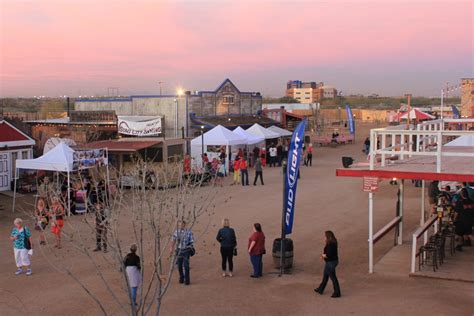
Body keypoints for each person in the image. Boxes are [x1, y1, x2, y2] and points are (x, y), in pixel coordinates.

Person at [314, 231, 341, 298]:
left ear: (328, 237)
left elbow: (329, 255)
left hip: (330, 262)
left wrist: (323, 256)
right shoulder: (332, 243)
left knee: (333, 277)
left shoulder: (330, 245)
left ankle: (337, 292)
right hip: (332, 261)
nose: (324, 237)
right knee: (325, 276)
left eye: (325, 236)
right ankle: (320, 289)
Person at [171, 220, 195, 285]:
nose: (181, 226)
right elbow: (173, 240)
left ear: (184, 224)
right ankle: (181, 278)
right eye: (179, 224)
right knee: (179, 266)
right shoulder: (176, 232)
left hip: (186, 251)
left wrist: (190, 246)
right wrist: (171, 249)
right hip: (179, 251)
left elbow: (192, 241)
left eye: (182, 224)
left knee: (186, 266)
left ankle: (187, 280)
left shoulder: (189, 232)